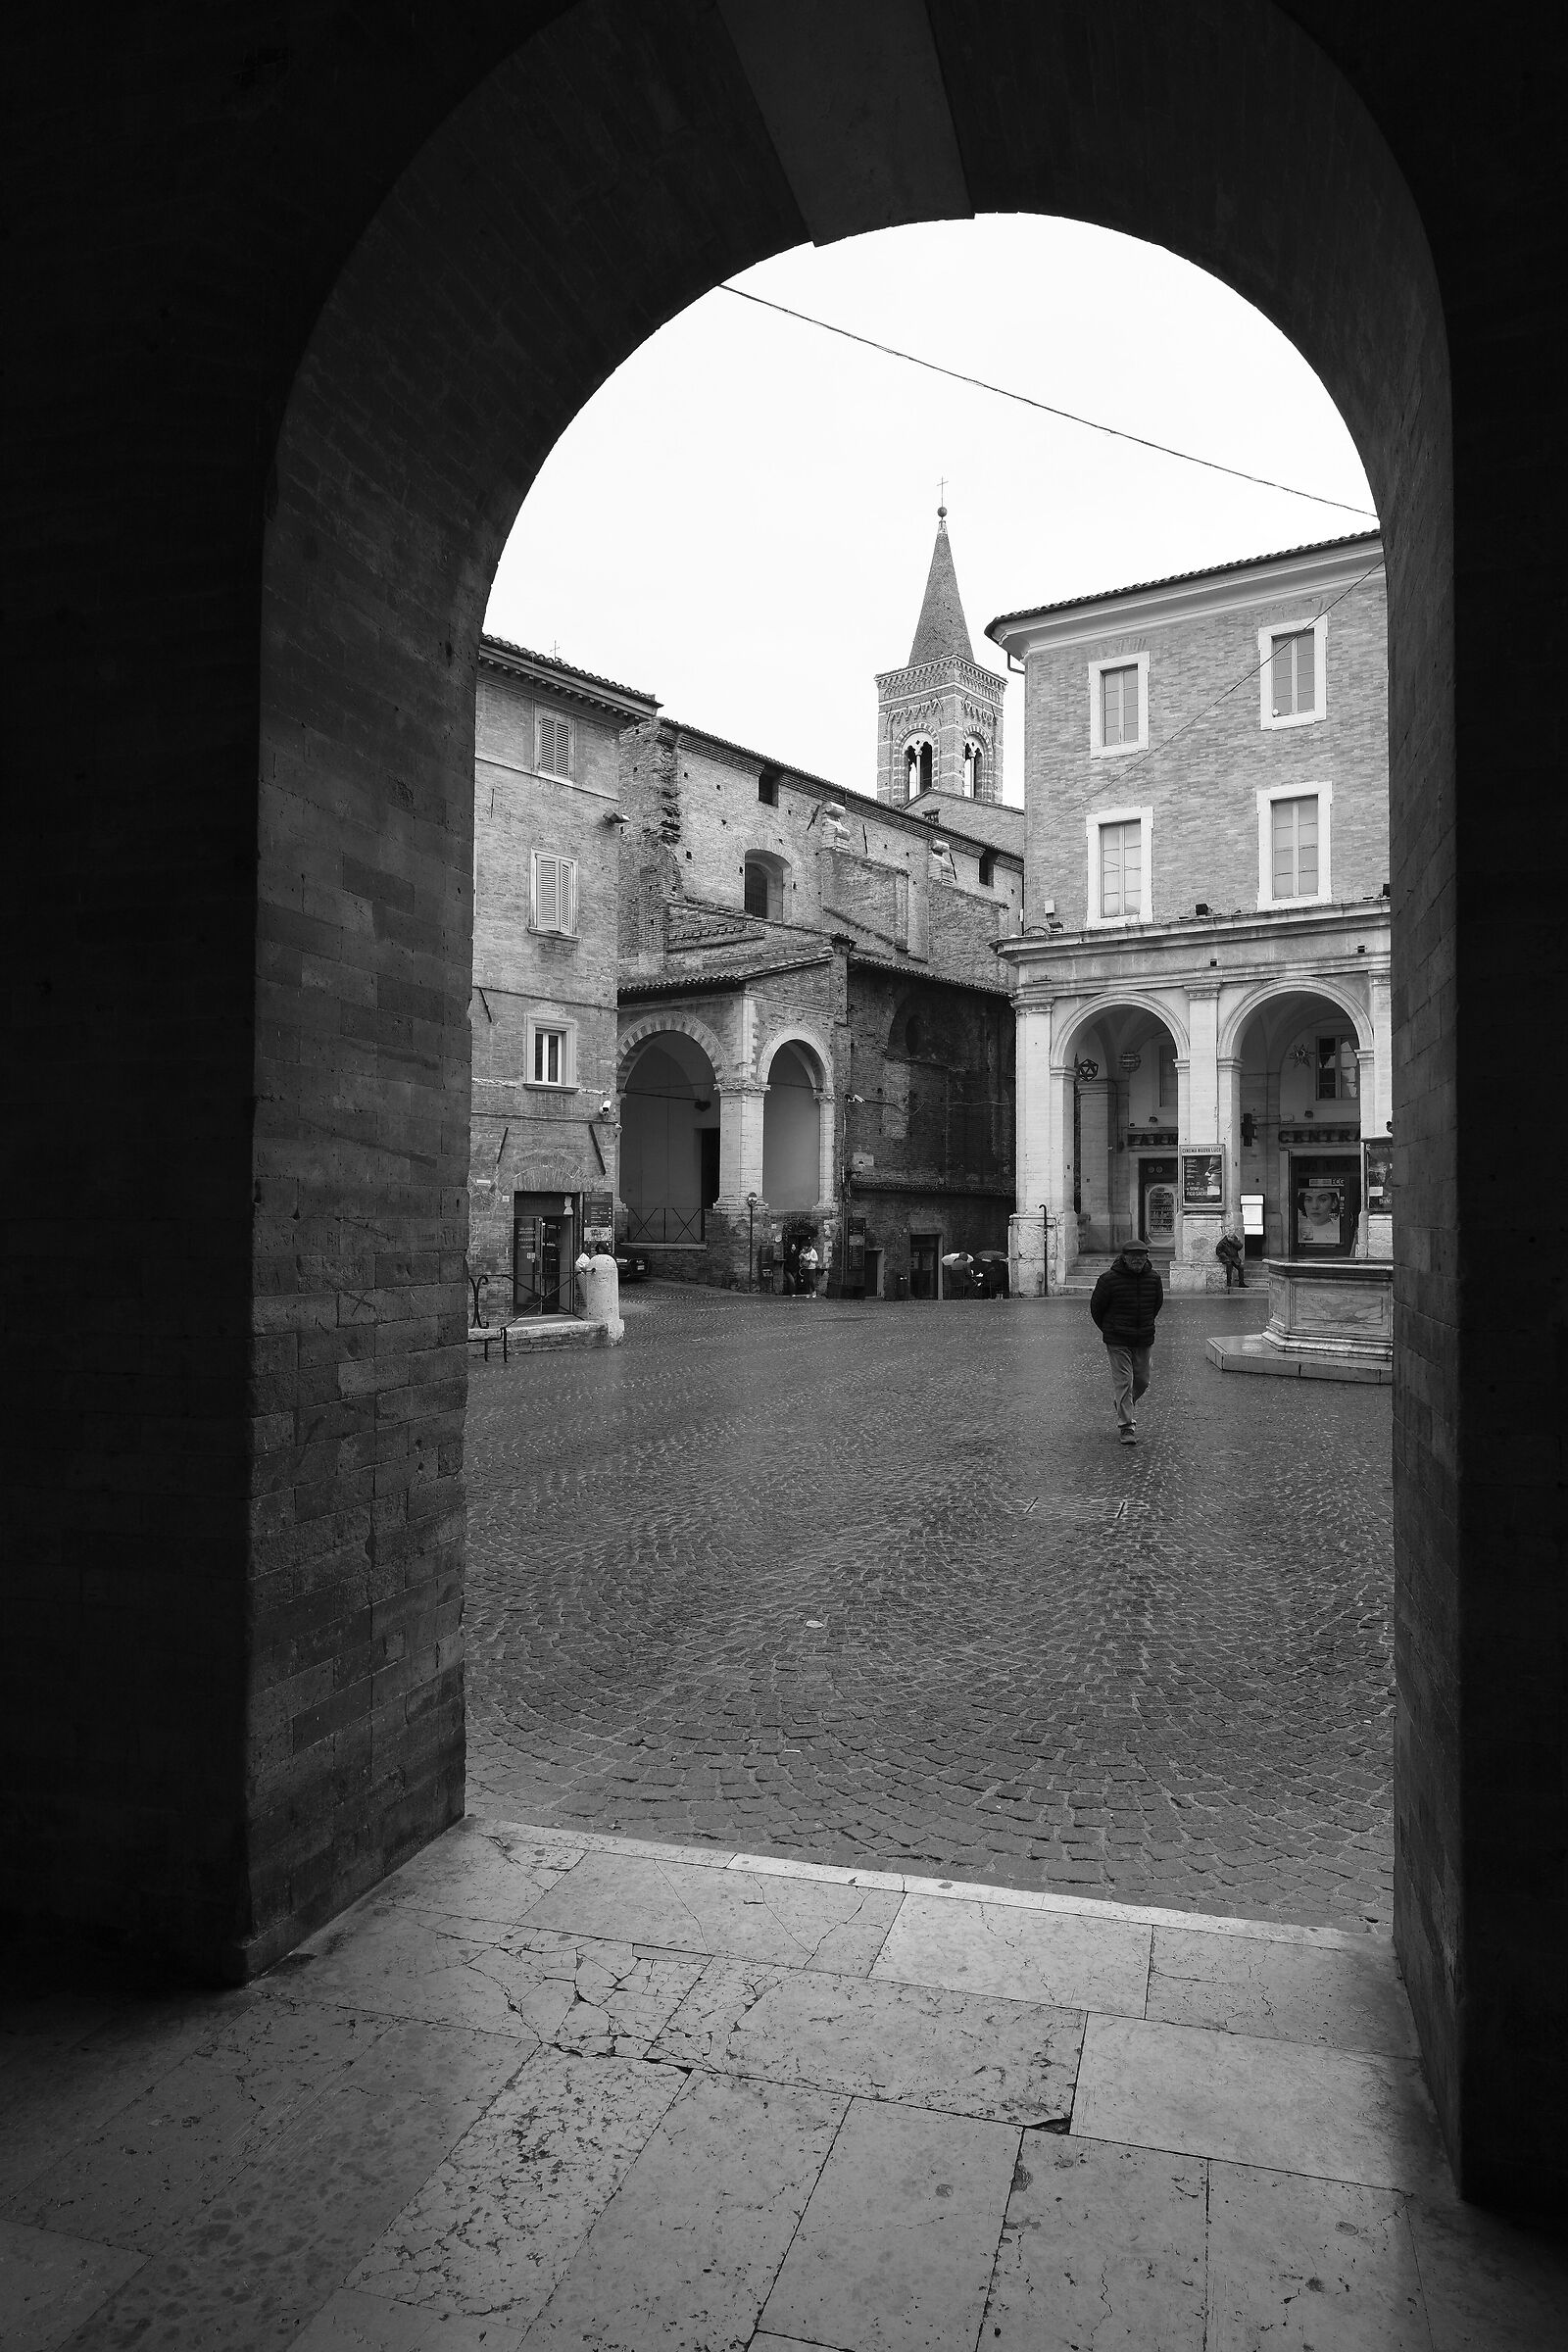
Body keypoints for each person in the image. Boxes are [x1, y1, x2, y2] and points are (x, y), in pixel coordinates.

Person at [1090, 1240, 1165, 1446]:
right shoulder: (1108, 1280)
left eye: (1141, 1257)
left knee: (1142, 1381)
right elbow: (1096, 1308)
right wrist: (1110, 1329)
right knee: (1124, 1382)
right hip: (1118, 1339)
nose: (1138, 1261)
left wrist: (1146, 1324)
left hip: (1143, 1338)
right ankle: (1126, 1427)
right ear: (1124, 1258)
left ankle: (1123, 1403)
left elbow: (1156, 1305)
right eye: (1133, 1257)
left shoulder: (1153, 1279)